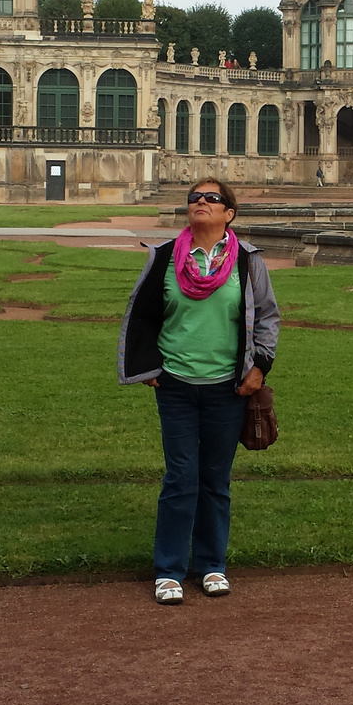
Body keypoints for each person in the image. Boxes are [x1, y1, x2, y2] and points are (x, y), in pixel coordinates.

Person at [118, 178, 280, 606]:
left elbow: (267, 317)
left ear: (229, 213)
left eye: (212, 198)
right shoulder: (166, 258)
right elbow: (146, 314)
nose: (201, 203)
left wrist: (259, 368)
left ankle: (211, 565)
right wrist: (148, 365)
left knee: (214, 479)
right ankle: (169, 569)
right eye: (195, 198)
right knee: (180, 477)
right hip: (175, 385)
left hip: (228, 387)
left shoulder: (247, 262)